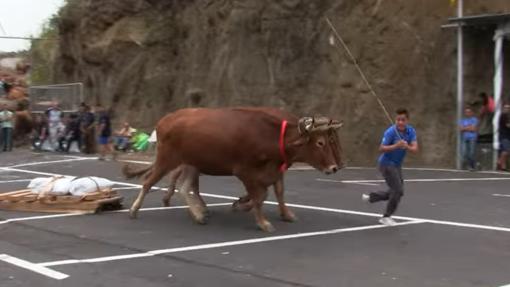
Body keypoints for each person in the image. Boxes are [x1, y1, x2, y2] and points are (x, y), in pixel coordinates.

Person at [362, 108, 419, 226]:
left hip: (397, 165)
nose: (400, 122)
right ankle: (386, 217)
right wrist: (396, 145)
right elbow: (381, 148)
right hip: (386, 164)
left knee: (397, 192)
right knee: (397, 190)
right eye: (398, 120)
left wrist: (406, 146)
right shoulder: (390, 132)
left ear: (407, 120)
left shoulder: (411, 131)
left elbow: (415, 149)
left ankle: (372, 197)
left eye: (403, 120)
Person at [459, 106, 478, 170]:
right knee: (464, 153)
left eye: (469, 112)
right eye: (466, 112)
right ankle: (468, 165)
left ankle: (471, 166)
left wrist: (465, 128)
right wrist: (469, 127)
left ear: (471, 113)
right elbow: (461, 129)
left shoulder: (474, 119)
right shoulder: (462, 120)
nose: (467, 113)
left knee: (471, 153)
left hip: (472, 138)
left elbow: (474, 129)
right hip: (465, 138)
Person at [497, 103, 510, 171]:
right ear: (503, 108)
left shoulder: (507, 116)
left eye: (508, 108)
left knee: (505, 151)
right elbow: (508, 125)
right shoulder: (503, 115)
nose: (507, 109)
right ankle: (499, 162)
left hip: (507, 135)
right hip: (504, 136)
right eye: (506, 108)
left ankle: (503, 166)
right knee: (506, 150)